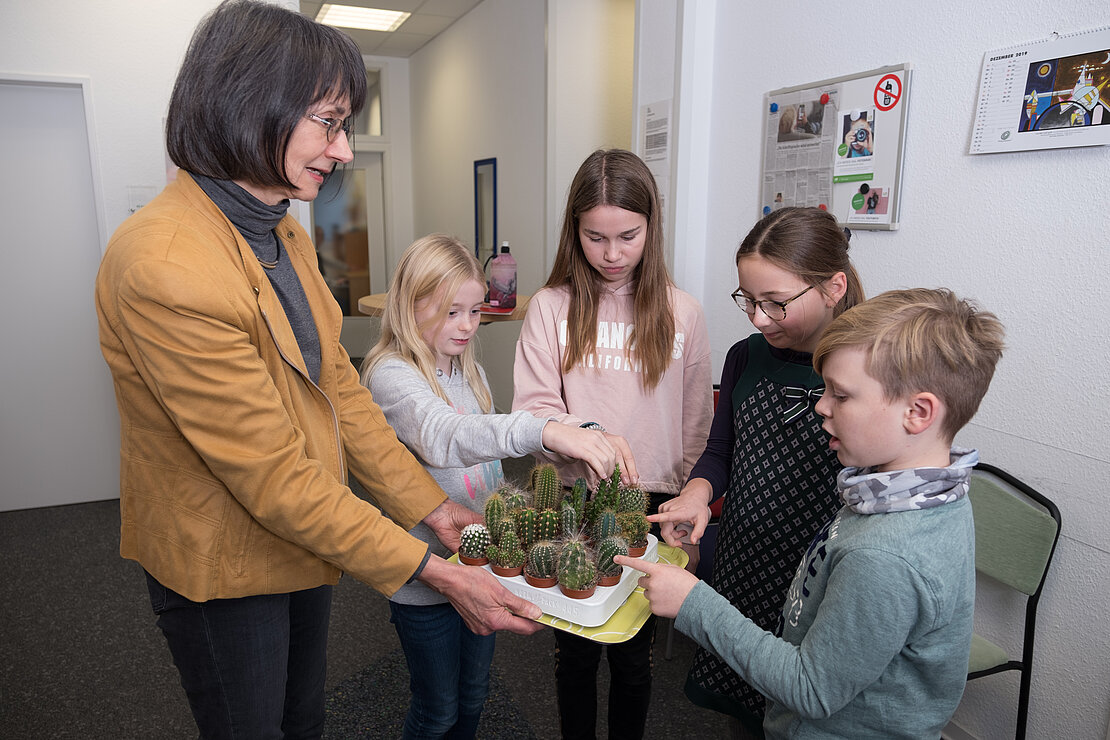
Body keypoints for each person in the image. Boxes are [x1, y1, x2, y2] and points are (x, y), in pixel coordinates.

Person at [93, 3, 541, 737]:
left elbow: (340, 391)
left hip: (304, 535)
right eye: (328, 122)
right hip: (224, 562)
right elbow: (269, 474)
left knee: (303, 717)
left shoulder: (283, 235)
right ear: (248, 102)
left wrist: (429, 508)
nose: (341, 151)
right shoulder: (165, 263)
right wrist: (432, 570)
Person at [620, 287, 1005, 739]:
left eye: (841, 396)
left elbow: (811, 688)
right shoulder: (930, 493)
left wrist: (692, 603)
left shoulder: (885, 558)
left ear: (917, 412)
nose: (820, 405)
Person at [361, 234, 636, 739]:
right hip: (424, 580)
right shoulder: (392, 376)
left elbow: (494, 441)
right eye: (450, 313)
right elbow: (445, 435)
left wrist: (581, 432)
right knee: (436, 709)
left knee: (472, 697)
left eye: (474, 310)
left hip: (480, 566)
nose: (467, 326)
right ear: (409, 304)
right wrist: (542, 428)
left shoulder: (468, 369)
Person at [512, 149, 714, 739]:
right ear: (574, 232)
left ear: (651, 227)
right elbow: (534, 413)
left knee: (633, 657)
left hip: (656, 503)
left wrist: (688, 511)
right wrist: (588, 438)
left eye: (627, 236)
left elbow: (698, 425)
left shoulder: (684, 313)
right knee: (574, 651)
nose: (611, 254)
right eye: (594, 237)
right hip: (577, 497)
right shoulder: (551, 308)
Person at [650, 206, 864, 738]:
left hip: (816, 579)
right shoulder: (746, 356)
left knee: (801, 709)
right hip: (746, 563)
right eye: (748, 299)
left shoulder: (866, 368)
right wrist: (696, 496)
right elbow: (720, 450)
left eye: (776, 303)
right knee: (745, 709)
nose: (758, 318)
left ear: (833, 287)